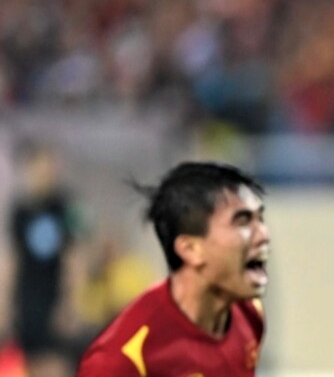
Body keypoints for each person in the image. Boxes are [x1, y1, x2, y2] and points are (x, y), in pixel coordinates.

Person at [77, 161, 270, 376]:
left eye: (260, 219)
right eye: (242, 222)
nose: (263, 235)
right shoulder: (123, 359)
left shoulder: (250, 314)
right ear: (191, 249)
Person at [7, 142, 88, 377]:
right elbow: (13, 259)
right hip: (27, 299)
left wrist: (70, 303)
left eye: (49, 165)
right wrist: (6, 305)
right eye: (39, 166)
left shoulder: (66, 206)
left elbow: (75, 257)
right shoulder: (20, 210)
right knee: (29, 363)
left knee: (55, 364)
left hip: (54, 296)